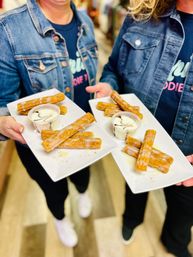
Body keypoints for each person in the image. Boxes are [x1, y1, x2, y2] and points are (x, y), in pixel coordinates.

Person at [86, 0, 193, 256]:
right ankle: (131, 220)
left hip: (188, 157)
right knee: (134, 190)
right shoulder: (140, 17)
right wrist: (109, 87)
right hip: (134, 142)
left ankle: (175, 243)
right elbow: (113, 69)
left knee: (183, 213)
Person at [0, 0, 98, 248]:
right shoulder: (9, 29)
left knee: (83, 175)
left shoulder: (85, 21)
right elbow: (3, 101)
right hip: (41, 145)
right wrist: (2, 122)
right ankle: (61, 218)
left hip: (84, 134)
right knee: (55, 191)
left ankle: (84, 193)